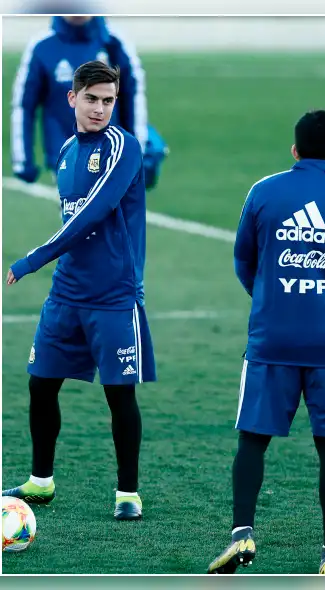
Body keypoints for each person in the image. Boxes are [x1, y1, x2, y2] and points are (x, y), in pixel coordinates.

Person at [207, 110, 325, 575]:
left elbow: (243, 259)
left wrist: (270, 300)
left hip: (272, 340)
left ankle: (241, 534)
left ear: (294, 149)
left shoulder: (263, 192)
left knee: (253, 440)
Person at [2, 60, 154, 521]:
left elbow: (93, 213)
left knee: (119, 395)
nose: (100, 108)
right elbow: (72, 218)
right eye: (91, 99)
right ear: (72, 98)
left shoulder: (123, 147)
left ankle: (128, 494)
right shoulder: (67, 150)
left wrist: (33, 259)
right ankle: (41, 482)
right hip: (67, 292)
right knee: (41, 384)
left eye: (108, 100)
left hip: (113, 295)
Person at [11, 16, 168, 190]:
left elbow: (133, 97)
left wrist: (139, 151)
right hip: (66, 160)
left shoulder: (114, 42)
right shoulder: (42, 46)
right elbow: (24, 105)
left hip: (112, 157)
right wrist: (23, 159)